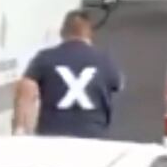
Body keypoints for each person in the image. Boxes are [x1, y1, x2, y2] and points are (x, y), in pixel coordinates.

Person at [12, 10, 124, 138]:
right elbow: (118, 84)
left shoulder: (45, 58)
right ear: (89, 34)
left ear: (62, 32)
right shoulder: (104, 59)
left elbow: (26, 91)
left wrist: (20, 129)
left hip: (52, 135)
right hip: (93, 134)